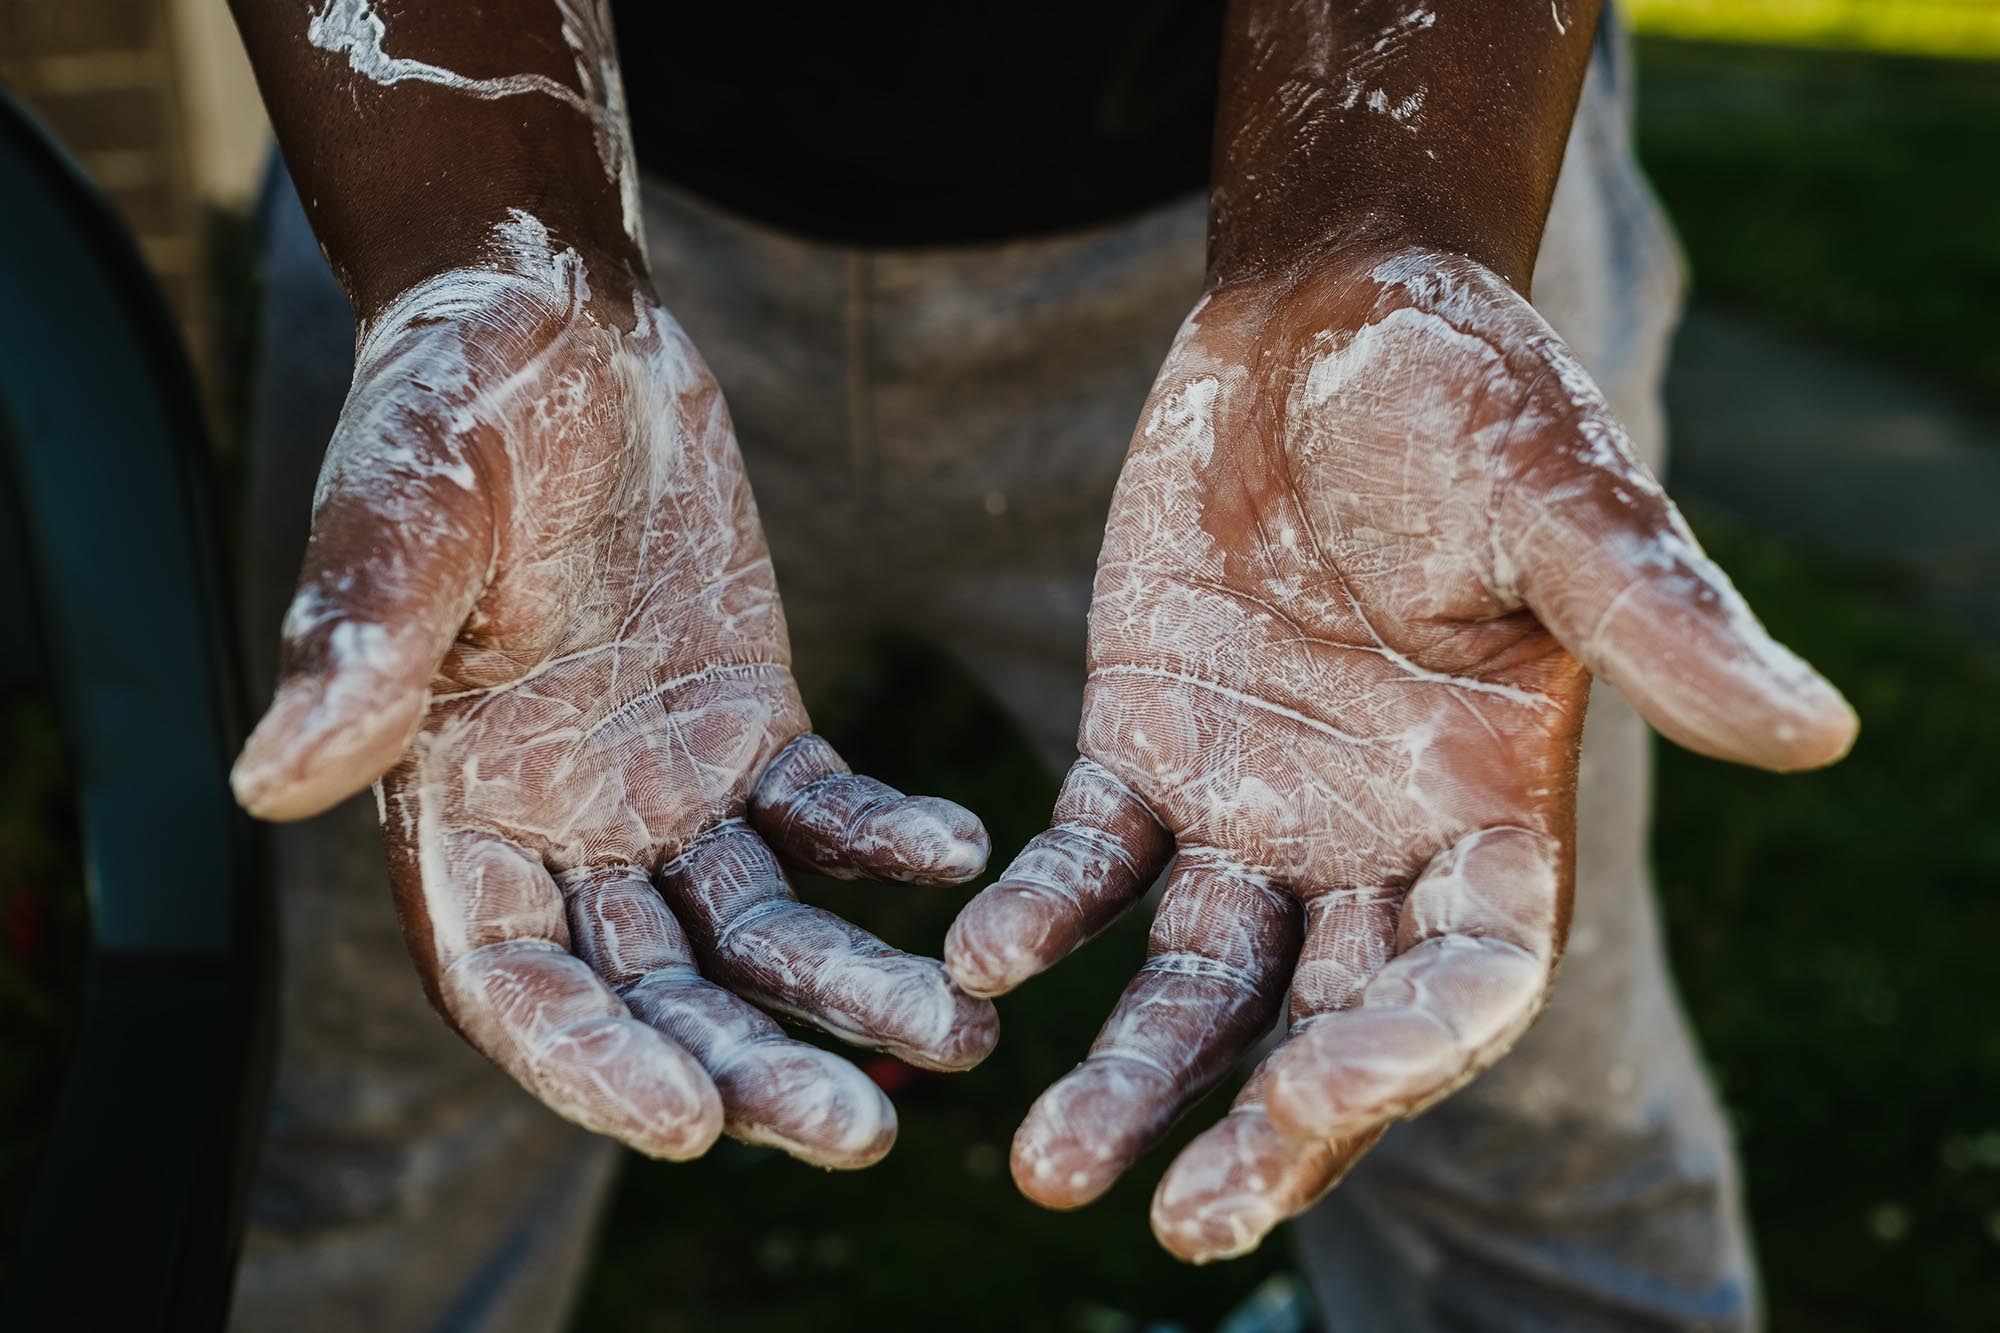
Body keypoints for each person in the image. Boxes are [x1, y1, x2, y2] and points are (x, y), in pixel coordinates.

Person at [224, 2, 1856, 1329]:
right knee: (372, 1130)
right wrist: (475, 244)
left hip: (1341, 209)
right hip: (528, 232)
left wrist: (1378, 233)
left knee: (1531, 1129)